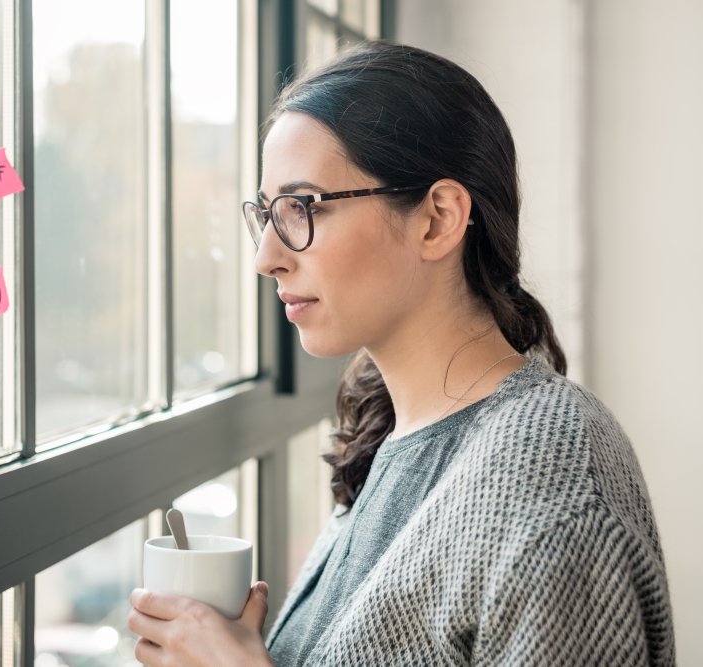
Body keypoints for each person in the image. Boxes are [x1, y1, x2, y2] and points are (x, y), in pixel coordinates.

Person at [128, 41, 674, 666]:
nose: (266, 257)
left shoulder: (553, 497)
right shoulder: (392, 429)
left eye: (302, 208)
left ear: (438, 218)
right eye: (267, 214)